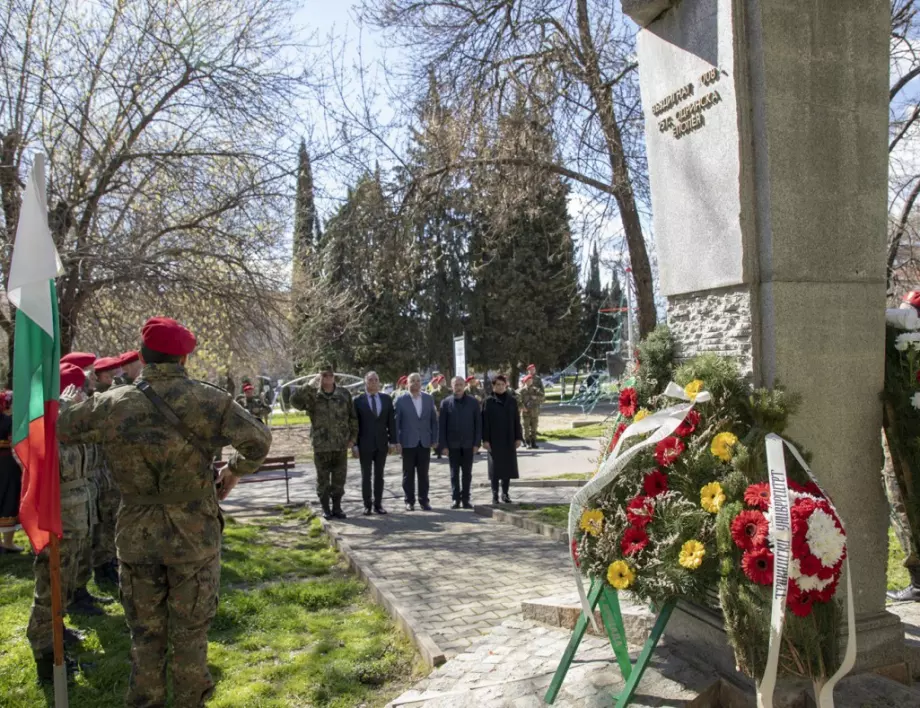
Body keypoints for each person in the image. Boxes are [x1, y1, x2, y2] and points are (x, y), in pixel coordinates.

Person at [57, 316, 272, 706]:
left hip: (137, 536)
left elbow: (62, 427)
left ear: (141, 356)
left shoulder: (113, 403)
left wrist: (66, 403)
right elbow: (258, 441)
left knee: (145, 636)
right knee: (191, 634)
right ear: (184, 358)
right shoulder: (210, 400)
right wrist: (233, 472)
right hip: (194, 535)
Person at [28, 363, 95, 682]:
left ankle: (59, 631)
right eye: (80, 388)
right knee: (50, 587)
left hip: (76, 517)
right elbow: (39, 454)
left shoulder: (72, 423)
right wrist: (64, 408)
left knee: (64, 585)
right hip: (57, 518)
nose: (86, 392)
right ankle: (45, 653)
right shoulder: (46, 421)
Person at [287, 365, 358, 520]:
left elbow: (352, 417)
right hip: (321, 446)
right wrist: (310, 385)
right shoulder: (313, 395)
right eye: (324, 375)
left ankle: (337, 508)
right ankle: (326, 509)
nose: (327, 378)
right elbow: (294, 401)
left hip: (340, 445)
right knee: (323, 480)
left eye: (330, 375)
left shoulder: (344, 394)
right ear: (319, 377)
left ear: (334, 377)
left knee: (339, 479)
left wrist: (352, 439)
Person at [353, 371, 398, 515]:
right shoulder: (358, 400)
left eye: (376, 380)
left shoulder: (386, 399)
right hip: (364, 444)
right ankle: (367, 505)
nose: (373, 382)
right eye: (370, 380)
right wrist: (354, 444)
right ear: (365, 382)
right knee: (366, 475)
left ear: (379, 382)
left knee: (379, 475)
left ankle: (378, 504)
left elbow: (391, 422)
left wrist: (393, 441)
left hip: (381, 443)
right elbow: (354, 425)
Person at [395, 372, 438, 511]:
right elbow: (396, 423)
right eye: (412, 381)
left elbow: (434, 421)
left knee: (423, 474)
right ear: (407, 383)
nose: (415, 383)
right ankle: (409, 501)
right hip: (407, 442)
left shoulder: (428, 398)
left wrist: (435, 439)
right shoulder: (400, 400)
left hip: (424, 442)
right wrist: (397, 442)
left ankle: (424, 501)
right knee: (408, 474)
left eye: (418, 380)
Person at [439, 377, 481, 509]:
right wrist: (443, 445)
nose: (458, 387)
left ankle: (466, 499)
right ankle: (455, 499)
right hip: (453, 445)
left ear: (465, 386)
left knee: (467, 473)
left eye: (460, 385)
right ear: (451, 386)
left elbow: (478, 424)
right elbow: (442, 426)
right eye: (455, 385)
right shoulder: (446, 403)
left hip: (469, 444)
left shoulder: (473, 402)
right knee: (454, 473)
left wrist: (476, 443)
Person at [482, 374, 524, 504]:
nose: (500, 387)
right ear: (493, 386)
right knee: (495, 469)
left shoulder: (512, 401)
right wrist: (485, 440)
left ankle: (505, 493)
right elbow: (484, 422)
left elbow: (517, 420)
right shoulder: (488, 401)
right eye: (497, 385)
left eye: (502, 384)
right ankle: (495, 494)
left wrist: (518, 437)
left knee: (507, 467)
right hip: (494, 440)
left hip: (509, 438)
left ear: (506, 385)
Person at [0, 390, 23, 553]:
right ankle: (7, 542)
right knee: (9, 498)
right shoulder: (9, 421)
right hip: (7, 464)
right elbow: (17, 444)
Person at [519, 374, 546, 449]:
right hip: (526, 413)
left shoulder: (536, 390)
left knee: (534, 429)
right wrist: (522, 407)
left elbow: (543, 398)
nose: (529, 382)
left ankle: (533, 443)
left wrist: (536, 398)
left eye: (531, 380)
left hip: (535, 412)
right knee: (526, 429)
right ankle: (527, 443)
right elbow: (517, 401)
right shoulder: (522, 391)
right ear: (525, 382)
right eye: (528, 381)